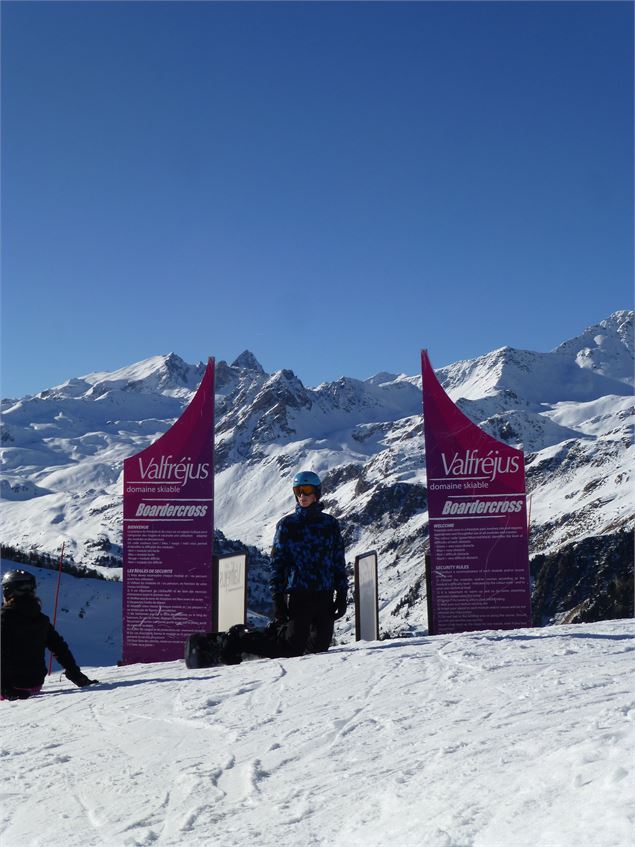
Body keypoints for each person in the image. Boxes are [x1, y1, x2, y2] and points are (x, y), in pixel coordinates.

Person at [1, 569, 98, 701]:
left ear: (7, 591)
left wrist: (5, 688)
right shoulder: (41, 619)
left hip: (11, 688)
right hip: (34, 685)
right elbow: (59, 647)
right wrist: (76, 675)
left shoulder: (4, 619)